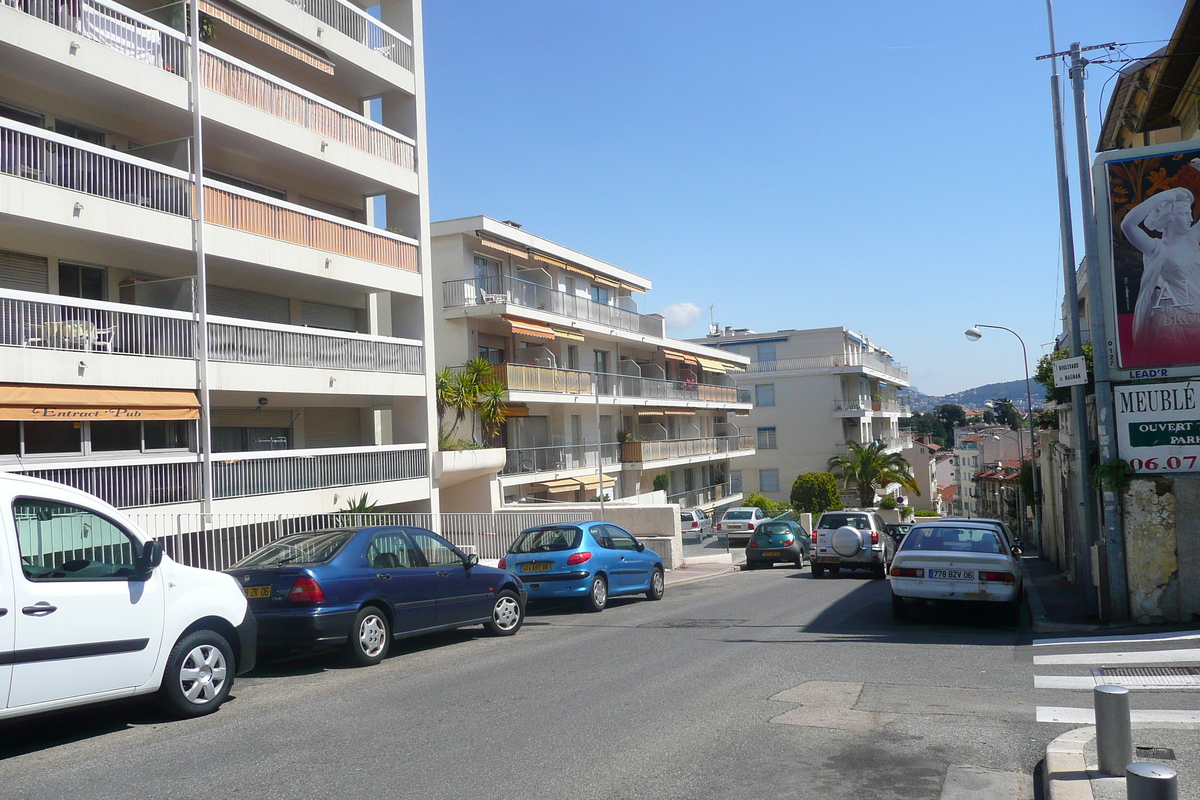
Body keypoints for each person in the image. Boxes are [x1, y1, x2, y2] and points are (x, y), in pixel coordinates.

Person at [1120, 186, 1200, 362]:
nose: (1191, 218)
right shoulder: (1157, 248)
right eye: (1185, 214)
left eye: (1190, 213)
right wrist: (1165, 196)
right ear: (1170, 218)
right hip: (1173, 323)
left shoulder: (1192, 241)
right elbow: (1128, 225)